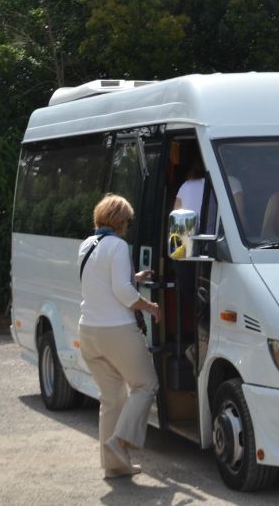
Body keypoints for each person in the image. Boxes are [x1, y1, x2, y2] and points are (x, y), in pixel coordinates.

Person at [78, 194, 162, 479]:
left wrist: (133, 277)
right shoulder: (118, 246)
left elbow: (101, 280)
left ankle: (114, 466)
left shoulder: (87, 245)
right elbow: (123, 294)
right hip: (116, 331)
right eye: (127, 219)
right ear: (119, 221)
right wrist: (149, 307)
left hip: (88, 331)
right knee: (146, 384)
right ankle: (121, 441)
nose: (129, 224)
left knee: (112, 398)